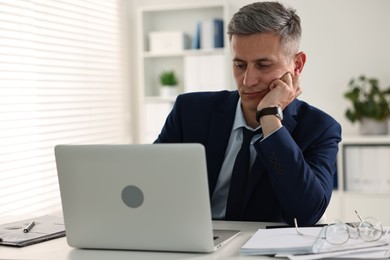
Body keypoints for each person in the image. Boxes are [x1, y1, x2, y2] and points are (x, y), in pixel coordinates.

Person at [154, 1, 341, 226]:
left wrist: (271, 120)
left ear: (297, 65)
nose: (248, 81)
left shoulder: (320, 128)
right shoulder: (189, 111)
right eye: (240, 65)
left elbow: (307, 214)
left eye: (263, 65)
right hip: (194, 241)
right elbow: (149, 181)